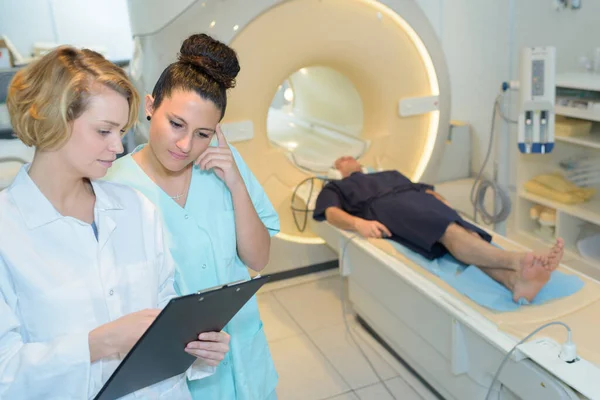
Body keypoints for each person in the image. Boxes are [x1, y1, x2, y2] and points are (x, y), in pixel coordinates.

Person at [0, 46, 230, 399]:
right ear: (52, 118)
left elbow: (163, 308)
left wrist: (196, 345)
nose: (118, 147)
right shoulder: (7, 231)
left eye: (121, 131)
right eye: (104, 131)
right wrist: (98, 343)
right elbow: (5, 374)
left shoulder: (135, 208)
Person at [104, 34, 279, 399]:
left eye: (202, 134)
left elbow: (258, 259)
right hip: (175, 371)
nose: (185, 146)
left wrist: (236, 184)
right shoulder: (113, 187)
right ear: (151, 106)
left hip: (243, 347)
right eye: (176, 124)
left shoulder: (223, 165)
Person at [313, 156, 565, 303]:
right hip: (386, 206)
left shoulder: (389, 173)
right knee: (448, 232)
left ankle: (514, 282)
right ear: (336, 169)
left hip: (417, 199)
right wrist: (359, 223)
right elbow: (330, 213)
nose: (348, 159)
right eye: (341, 159)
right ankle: (516, 261)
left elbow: (423, 189)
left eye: (350, 156)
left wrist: (440, 200)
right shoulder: (337, 187)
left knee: (468, 234)